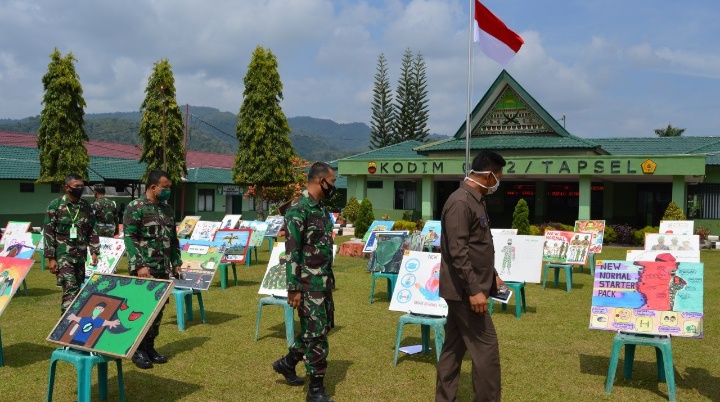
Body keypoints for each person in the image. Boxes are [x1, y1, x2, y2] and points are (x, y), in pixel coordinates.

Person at [436, 151, 507, 402]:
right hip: (465, 292)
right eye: (498, 177)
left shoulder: (476, 199)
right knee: (487, 350)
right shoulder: (460, 202)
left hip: (467, 288)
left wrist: (493, 275)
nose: (498, 182)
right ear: (488, 176)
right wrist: (475, 290)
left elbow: (479, 246)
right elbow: (458, 252)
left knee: (453, 349)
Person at [272, 162, 336, 402]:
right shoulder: (298, 208)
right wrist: (294, 288)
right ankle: (316, 390)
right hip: (307, 284)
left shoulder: (319, 208)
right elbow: (292, 252)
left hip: (322, 282)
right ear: (321, 180)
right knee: (317, 335)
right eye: (333, 181)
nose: (334, 186)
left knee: (319, 328)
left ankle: (288, 363)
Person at [123, 169, 182, 369]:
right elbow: (129, 238)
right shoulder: (135, 207)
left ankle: (149, 347)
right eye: (165, 187)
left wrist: (176, 262)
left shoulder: (167, 209)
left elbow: (173, 239)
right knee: (141, 309)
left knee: (158, 311)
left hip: (163, 267)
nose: (167, 191)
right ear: (152, 187)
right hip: (144, 268)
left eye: (169, 188)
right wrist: (139, 265)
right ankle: (137, 350)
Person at [44, 174, 100, 313]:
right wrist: (51, 258)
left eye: (82, 186)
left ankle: (72, 321)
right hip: (63, 256)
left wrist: (94, 250)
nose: (80, 189)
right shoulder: (55, 206)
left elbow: (92, 229)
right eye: (76, 186)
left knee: (78, 287)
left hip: (80, 256)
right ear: (67, 187)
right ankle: (66, 323)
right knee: (71, 288)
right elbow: (48, 232)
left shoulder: (85, 206)